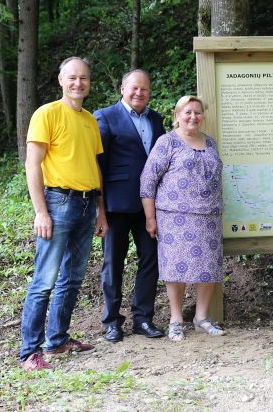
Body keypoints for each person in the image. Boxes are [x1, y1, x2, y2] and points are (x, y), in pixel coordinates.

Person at [20, 56, 108, 372]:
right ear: (61, 80)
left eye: (83, 78)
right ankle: (30, 352)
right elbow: (33, 164)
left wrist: (101, 211)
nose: (78, 83)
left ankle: (57, 341)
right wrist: (40, 211)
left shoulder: (89, 120)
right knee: (45, 280)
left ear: (89, 83)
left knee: (72, 279)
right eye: (72, 78)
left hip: (86, 206)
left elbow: (93, 165)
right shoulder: (46, 114)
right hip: (57, 203)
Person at [140, 95, 226, 341]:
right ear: (177, 116)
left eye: (197, 112)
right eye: (187, 112)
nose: (192, 117)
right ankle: (176, 319)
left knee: (208, 268)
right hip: (174, 217)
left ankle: (201, 318)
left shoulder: (210, 143)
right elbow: (148, 181)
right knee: (176, 268)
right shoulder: (167, 142)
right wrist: (150, 218)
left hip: (208, 216)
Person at [95, 70, 167, 342]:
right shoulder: (105, 116)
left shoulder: (156, 119)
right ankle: (112, 321)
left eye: (145, 89)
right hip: (115, 203)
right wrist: (99, 207)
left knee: (151, 259)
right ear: (123, 88)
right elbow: (98, 164)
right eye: (134, 88)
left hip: (149, 205)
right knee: (113, 263)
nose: (139, 93)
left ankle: (143, 318)